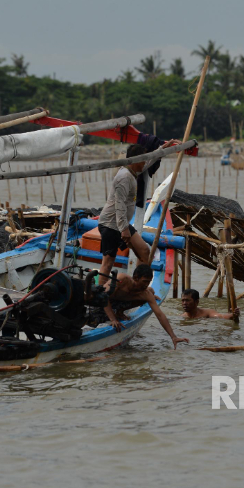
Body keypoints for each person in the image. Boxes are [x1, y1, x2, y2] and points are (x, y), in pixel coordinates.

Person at [97, 139, 180, 285]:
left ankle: (137, 286)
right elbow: (119, 204)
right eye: (142, 159)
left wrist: (164, 148)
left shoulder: (133, 170)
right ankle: (99, 296)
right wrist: (124, 229)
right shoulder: (123, 177)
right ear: (135, 160)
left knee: (144, 252)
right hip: (111, 224)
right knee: (108, 262)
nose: (144, 163)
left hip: (121, 224)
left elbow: (149, 161)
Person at [101, 264, 188, 349]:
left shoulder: (145, 293)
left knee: (150, 292)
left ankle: (119, 312)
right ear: (136, 278)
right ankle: (114, 315)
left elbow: (160, 315)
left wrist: (173, 337)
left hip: (118, 303)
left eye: (149, 282)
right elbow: (103, 296)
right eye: (144, 281)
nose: (146, 285)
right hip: (102, 302)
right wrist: (113, 319)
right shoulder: (122, 279)